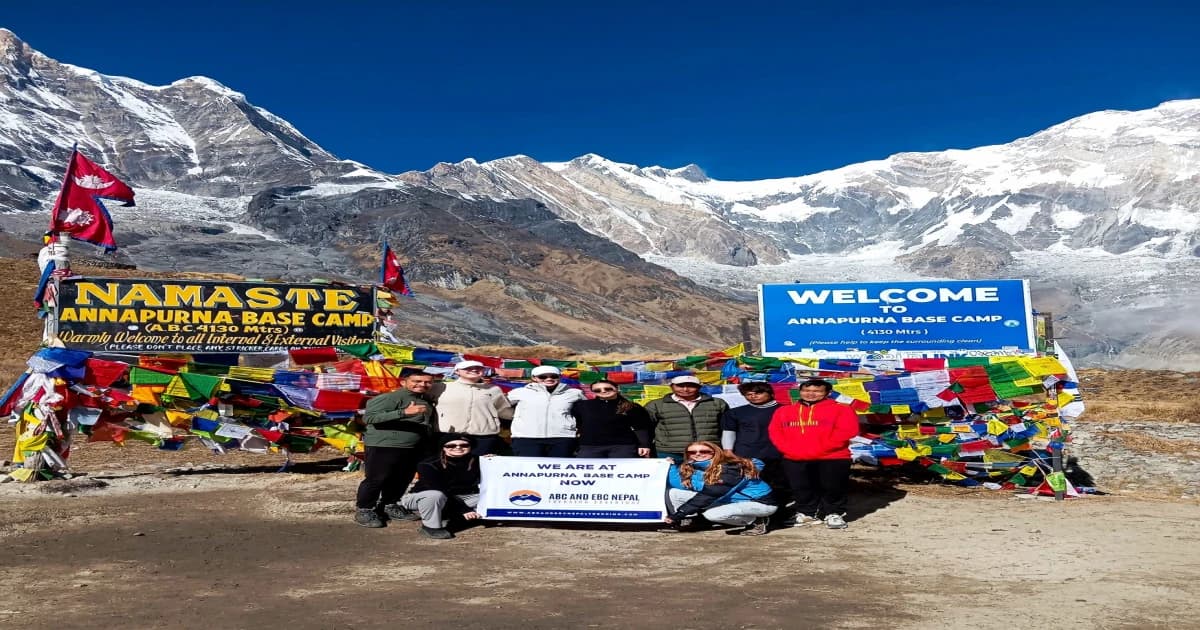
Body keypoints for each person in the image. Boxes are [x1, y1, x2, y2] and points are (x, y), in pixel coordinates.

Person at [768, 379, 860, 530]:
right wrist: (788, 449)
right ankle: (807, 513)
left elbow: (848, 431)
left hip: (832, 457)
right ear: (800, 392)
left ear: (827, 393)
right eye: (806, 390)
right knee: (801, 487)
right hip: (794, 456)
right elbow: (775, 432)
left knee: (833, 486)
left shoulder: (842, 409)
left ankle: (834, 513)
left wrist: (820, 448)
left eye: (817, 391)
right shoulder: (784, 411)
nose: (810, 394)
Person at [354, 370, 437, 528]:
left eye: (427, 382)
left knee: (402, 478)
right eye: (417, 381)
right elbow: (369, 418)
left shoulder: (424, 400)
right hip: (384, 445)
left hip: (413, 446)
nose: (422, 385)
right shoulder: (389, 398)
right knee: (376, 479)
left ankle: (389, 505)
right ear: (403, 382)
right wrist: (404, 412)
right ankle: (364, 509)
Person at [663, 440, 777, 536]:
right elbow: (677, 483)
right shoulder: (695, 466)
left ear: (715, 452)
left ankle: (756, 521)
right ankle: (694, 521)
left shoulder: (729, 468)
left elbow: (708, 495)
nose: (698, 454)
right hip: (731, 500)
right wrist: (671, 465)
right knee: (673, 493)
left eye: (704, 451)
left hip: (761, 504)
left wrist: (677, 515)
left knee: (712, 514)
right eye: (692, 452)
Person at [721, 381, 790, 521]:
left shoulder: (787, 410)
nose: (753, 396)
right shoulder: (736, 412)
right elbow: (729, 432)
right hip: (747, 455)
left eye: (758, 393)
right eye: (748, 394)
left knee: (779, 485)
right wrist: (728, 451)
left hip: (779, 454)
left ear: (770, 393)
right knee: (751, 485)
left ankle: (779, 514)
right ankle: (755, 516)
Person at [400, 433, 483, 540]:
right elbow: (441, 490)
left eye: (464, 445)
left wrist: (493, 462)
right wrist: (464, 509)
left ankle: (449, 515)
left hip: (460, 497)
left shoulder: (478, 461)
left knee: (491, 496)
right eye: (451, 446)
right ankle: (431, 527)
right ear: (443, 448)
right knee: (436, 495)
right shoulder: (428, 464)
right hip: (425, 497)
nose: (458, 448)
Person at [434, 360, 513, 455]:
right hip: (447, 435)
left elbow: (503, 410)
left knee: (478, 467)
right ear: (457, 371)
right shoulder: (440, 387)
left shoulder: (494, 389)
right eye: (467, 368)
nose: (474, 370)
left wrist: (524, 416)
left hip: (483, 436)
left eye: (479, 368)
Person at [644, 375, 729, 462]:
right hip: (670, 452)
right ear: (671, 386)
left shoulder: (717, 403)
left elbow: (727, 428)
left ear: (699, 387)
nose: (685, 389)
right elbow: (645, 429)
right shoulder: (656, 405)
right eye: (680, 386)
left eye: (691, 386)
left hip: (707, 451)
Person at [507, 365, 585, 457]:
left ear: (559, 377)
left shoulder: (574, 393)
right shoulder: (519, 392)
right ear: (534, 378)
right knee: (529, 469)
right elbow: (501, 406)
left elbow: (586, 411)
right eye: (543, 377)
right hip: (527, 438)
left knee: (558, 469)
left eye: (553, 376)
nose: (549, 379)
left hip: (562, 438)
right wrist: (512, 417)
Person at [571, 379, 652, 458]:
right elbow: (578, 423)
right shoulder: (582, 406)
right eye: (597, 390)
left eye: (608, 388)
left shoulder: (631, 406)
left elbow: (641, 427)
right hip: (590, 446)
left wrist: (644, 445)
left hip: (623, 446)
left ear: (616, 388)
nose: (603, 391)